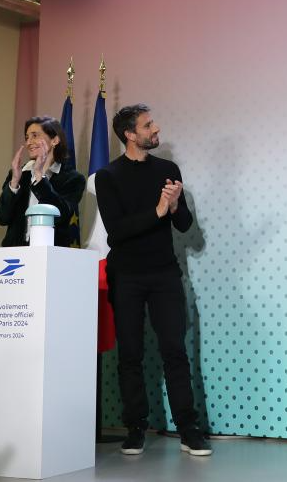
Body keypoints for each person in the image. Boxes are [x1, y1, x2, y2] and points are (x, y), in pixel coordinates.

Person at [94, 104, 211, 456]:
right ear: (130, 134)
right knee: (130, 354)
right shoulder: (107, 176)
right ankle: (135, 428)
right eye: (148, 125)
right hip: (126, 276)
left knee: (175, 351)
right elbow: (116, 232)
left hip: (164, 274)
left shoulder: (167, 170)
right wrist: (158, 211)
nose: (156, 128)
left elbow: (185, 225)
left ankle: (188, 430)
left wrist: (173, 207)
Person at [0, 116, 85, 247]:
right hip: (15, 254)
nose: (28, 142)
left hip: (50, 253)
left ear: (54, 140)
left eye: (35, 136)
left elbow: (60, 215)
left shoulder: (73, 178)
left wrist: (39, 176)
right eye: (27, 137)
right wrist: (14, 182)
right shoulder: (19, 174)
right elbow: (1, 218)